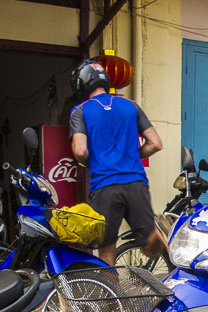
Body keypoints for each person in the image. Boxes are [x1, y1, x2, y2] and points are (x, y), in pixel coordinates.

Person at [69, 59, 164, 266]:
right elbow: (156, 143)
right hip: (136, 183)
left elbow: (80, 150)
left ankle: (110, 286)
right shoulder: (131, 106)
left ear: (81, 84)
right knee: (148, 245)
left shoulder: (81, 110)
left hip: (105, 186)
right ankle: (155, 236)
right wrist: (132, 155)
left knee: (106, 249)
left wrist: (91, 161)